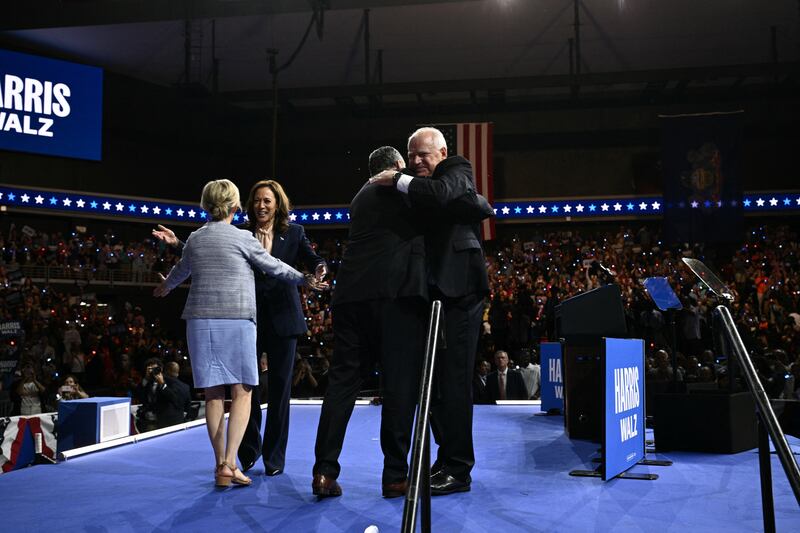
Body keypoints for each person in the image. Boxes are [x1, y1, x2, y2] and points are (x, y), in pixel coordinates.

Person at [154, 179, 325, 488]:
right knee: (244, 391)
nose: (260, 206)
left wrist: (167, 285)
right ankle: (234, 461)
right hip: (241, 319)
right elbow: (274, 266)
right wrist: (304, 280)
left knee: (214, 394)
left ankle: (225, 464)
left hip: (213, 321)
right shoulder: (243, 236)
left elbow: (186, 265)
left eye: (267, 201)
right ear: (236, 206)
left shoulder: (196, 238)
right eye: (253, 201)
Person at [371, 126, 493, 495]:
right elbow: (472, 204)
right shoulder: (424, 186)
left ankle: (459, 469)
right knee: (439, 385)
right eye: (411, 156)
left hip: (462, 291)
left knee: (454, 382)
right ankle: (447, 459)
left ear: (441, 152)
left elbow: (453, 195)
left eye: (423, 154)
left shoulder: (457, 166)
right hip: (434, 294)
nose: (416, 161)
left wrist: (401, 179)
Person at [312, 146, 429, 499]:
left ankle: (323, 472)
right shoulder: (394, 185)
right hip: (391, 296)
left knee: (342, 384)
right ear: (396, 167)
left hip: (349, 296)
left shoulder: (359, 196)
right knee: (397, 385)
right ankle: (395, 476)